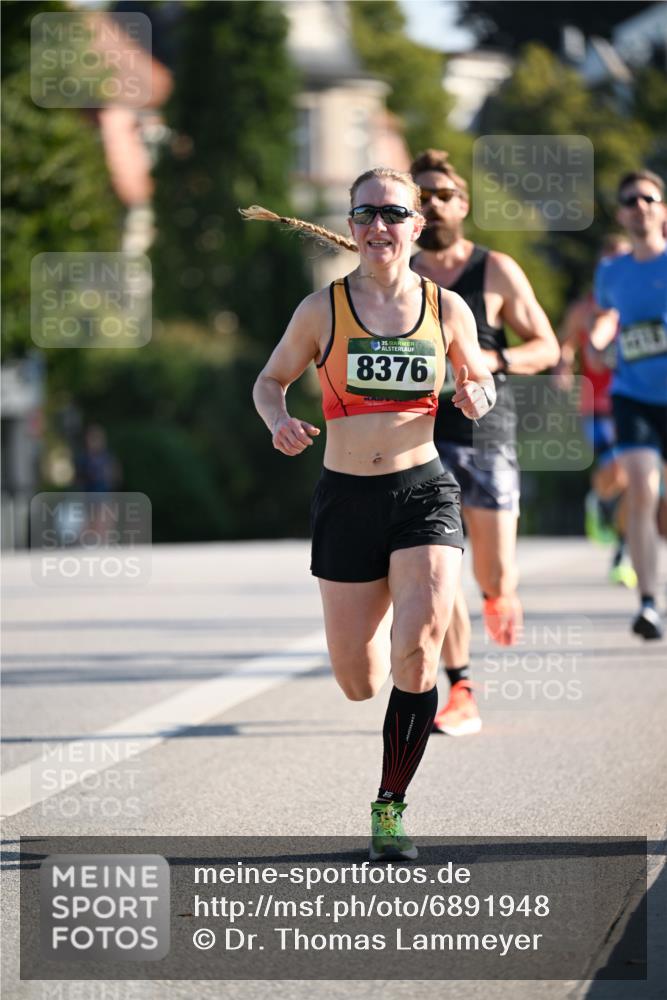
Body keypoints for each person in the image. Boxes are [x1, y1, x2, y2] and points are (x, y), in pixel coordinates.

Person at [249, 167, 495, 859]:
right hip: (346, 499)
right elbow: (270, 382)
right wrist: (279, 420)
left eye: (393, 213)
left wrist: (479, 397)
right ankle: (383, 597)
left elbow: (478, 377)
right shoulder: (320, 310)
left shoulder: (446, 308)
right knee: (358, 681)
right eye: (365, 215)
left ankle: (390, 807)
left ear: (416, 225)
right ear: (351, 227)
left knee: (415, 652)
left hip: (423, 491)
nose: (378, 227)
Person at [408, 149, 560, 737]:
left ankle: (501, 594)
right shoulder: (403, 275)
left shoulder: (494, 269)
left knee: (492, 574)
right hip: (421, 441)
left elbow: (546, 345)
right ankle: (462, 688)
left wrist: (492, 359)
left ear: (463, 204)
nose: (433, 204)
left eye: (443, 194)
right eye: (421, 196)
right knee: (435, 570)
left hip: (488, 436)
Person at [589, 169, 667, 640]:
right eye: (630, 200)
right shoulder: (611, 270)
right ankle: (649, 602)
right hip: (633, 393)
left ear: (662, 210)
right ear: (621, 213)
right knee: (642, 489)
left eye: (648, 198)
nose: (639, 206)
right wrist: (598, 344)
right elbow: (606, 318)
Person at [556, 234, 636, 588]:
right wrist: (562, 366)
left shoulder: (641, 302)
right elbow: (565, 345)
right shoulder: (585, 308)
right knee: (616, 470)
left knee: (632, 476)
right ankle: (600, 501)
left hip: (633, 402)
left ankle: (622, 552)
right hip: (594, 404)